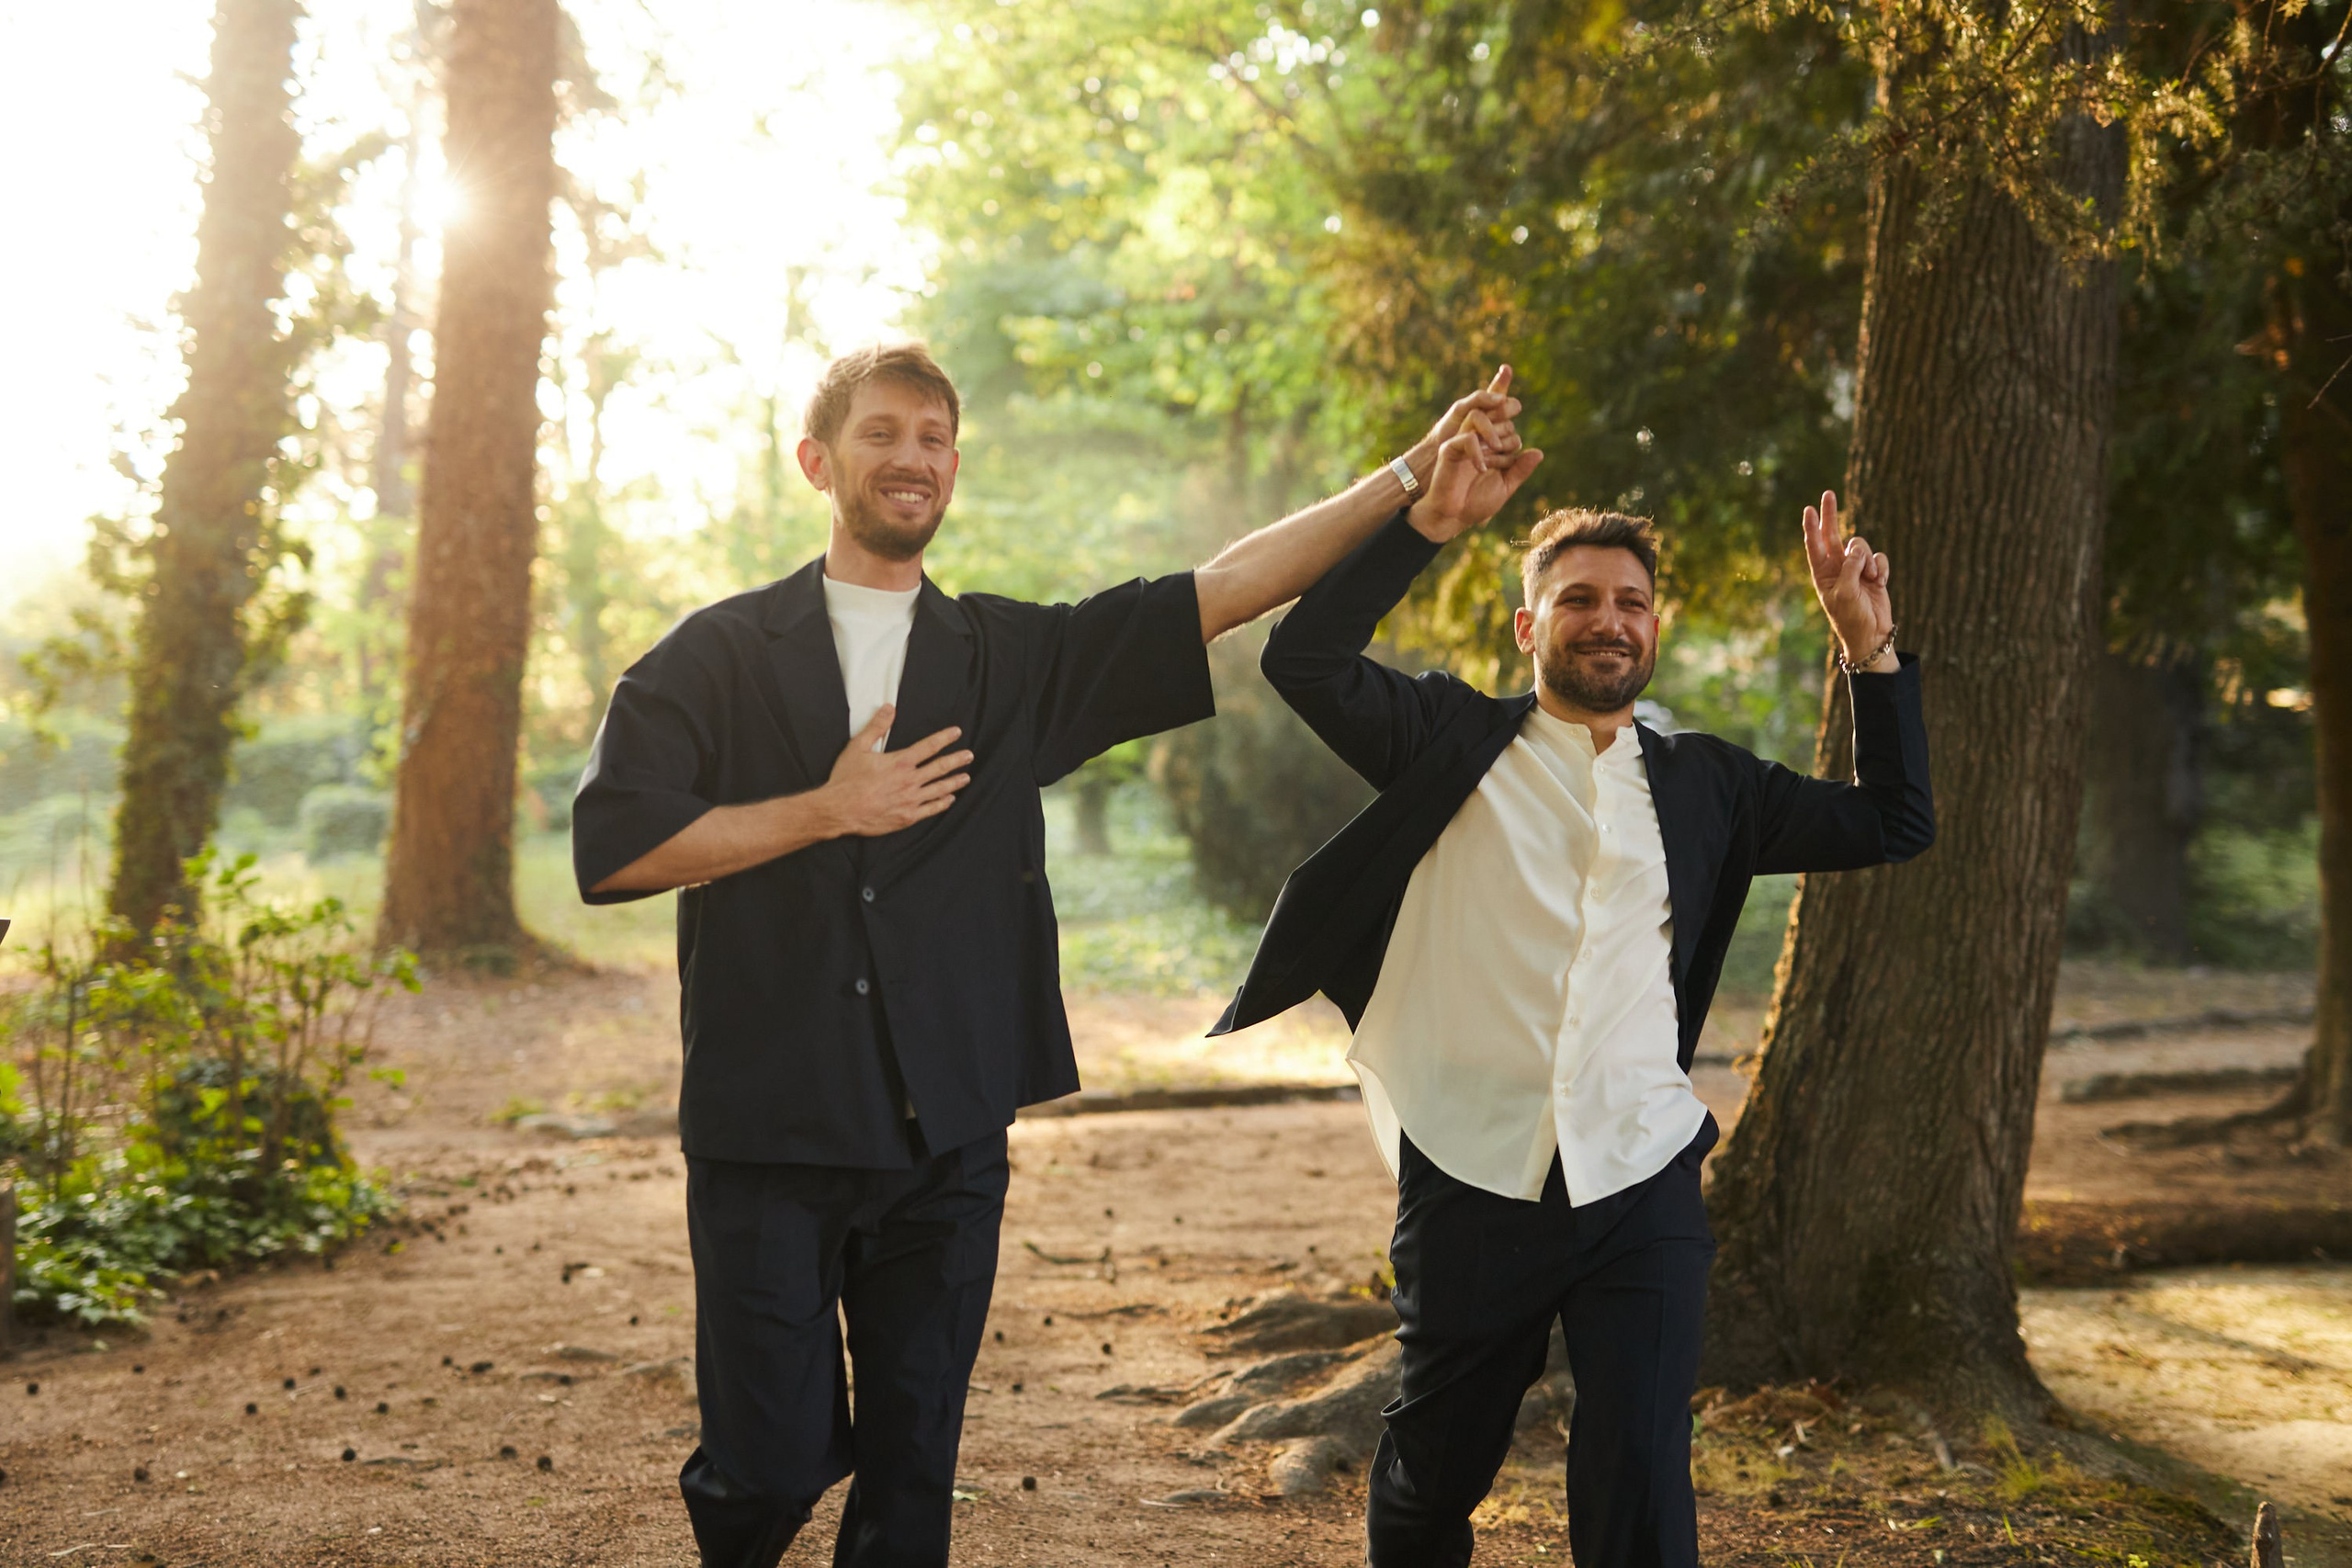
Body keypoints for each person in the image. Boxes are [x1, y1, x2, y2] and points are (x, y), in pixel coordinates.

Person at [569, 341, 1542, 1568]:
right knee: (760, 1465)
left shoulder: (1009, 660)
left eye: (933, 438)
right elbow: (615, 852)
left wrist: (1411, 476)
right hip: (773, 1123)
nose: (911, 457)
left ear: (955, 468)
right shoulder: (708, 657)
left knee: (915, 1463)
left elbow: (1231, 583)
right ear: (820, 461)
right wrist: (827, 807)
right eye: (881, 434)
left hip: (949, 1132)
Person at [1212, 489, 1934, 1567]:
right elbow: (1302, 657)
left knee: (1640, 1471)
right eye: (1580, 599)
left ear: (1655, 626)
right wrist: (1423, 521)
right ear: (1528, 625)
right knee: (1436, 1466)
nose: (1610, 620)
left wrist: (1865, 650)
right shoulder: (1446, 739)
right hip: (1470, 1169)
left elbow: (1893, 821)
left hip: (1641, 1172)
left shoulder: (1709, 786)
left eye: (1632, 602)